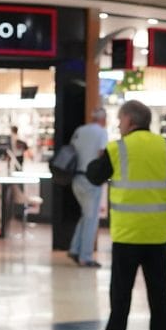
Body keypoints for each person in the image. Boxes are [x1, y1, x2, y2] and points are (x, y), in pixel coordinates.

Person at [85, 99, 166, 330]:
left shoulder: (117, 148)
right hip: (158, 235)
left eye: (120, 120)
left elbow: (94, 176)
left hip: (126, 235)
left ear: (130, 121)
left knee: (120, 293)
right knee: (159, 292)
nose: (119, 126)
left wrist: (97, 160)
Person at [67, 107, 109, 268]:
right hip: (91, 179)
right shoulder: (102, 133)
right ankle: (85, 256)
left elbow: (72, 150)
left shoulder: (80, 130)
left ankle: (75, 248)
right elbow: (101, 153)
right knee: (91, 219)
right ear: (103, 119)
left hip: (76, 178)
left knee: (86, 215)